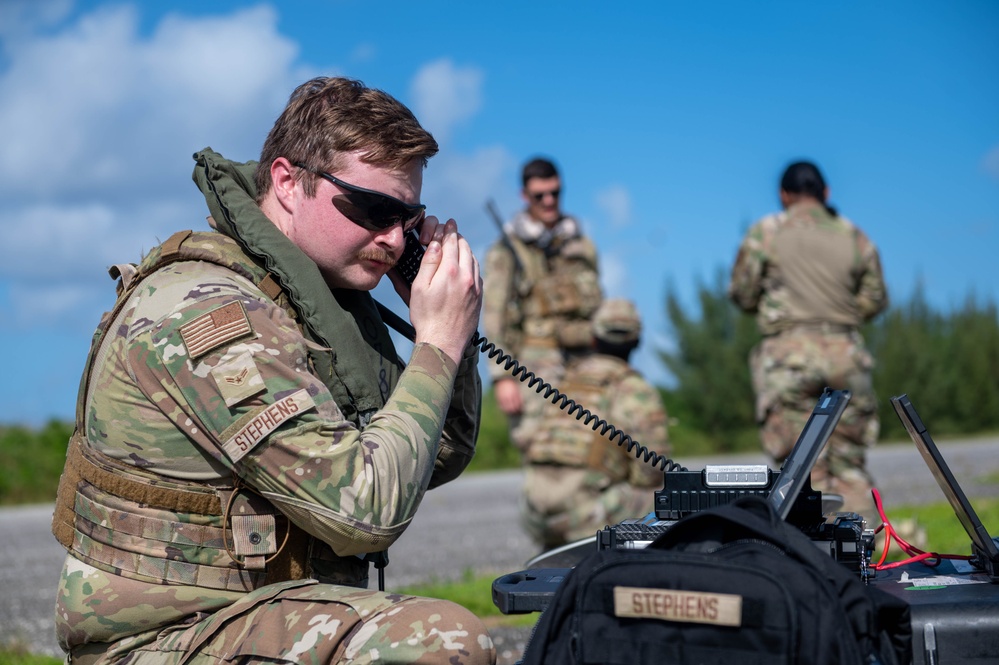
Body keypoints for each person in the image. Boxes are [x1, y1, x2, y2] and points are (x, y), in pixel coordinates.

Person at [50, 77, 495, 665]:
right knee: (439, 643)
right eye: (373, 208)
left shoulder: (318, 307)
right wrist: (435, 343)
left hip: (258, 617)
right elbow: (361, 513)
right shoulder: (209, 313)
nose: (392, 238)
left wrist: (451, 346)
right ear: (288, 182)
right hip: (163, 638)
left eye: (408, 219)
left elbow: (435, 455)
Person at [728, 160, 889, 523]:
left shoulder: (766, 232)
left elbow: (742, 292)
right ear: (826, 193)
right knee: (849, 464)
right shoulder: (853, 235)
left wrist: (784, 311)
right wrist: (841, 317)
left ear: (783, 195)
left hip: (789, 358)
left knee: (799, 470)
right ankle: (868, 551)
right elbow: (876, 297)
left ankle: (810, 561)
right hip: (845, 355)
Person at [520, 298, 671, 549]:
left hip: (534, 512)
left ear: (592, 339)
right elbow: (652, 469)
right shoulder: (633, 388)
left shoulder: (564, 379)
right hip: (585, 516)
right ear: (637, 342)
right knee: (669, 498)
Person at [482, 157, 602, 452]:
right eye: (539, 196)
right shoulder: (506, 251)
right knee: (542, 451)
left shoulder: (581, 245)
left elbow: (599, 304)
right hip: (535, 367)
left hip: (585, 359)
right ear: (525, 196)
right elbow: (495, 317)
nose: (549, 201)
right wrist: (502, 377)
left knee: (594, 448)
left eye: (555, 193)